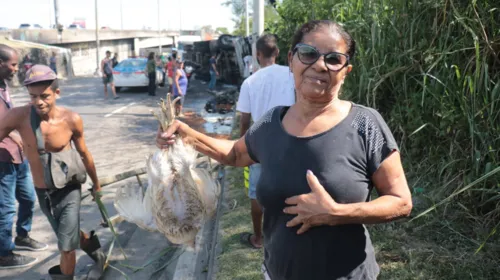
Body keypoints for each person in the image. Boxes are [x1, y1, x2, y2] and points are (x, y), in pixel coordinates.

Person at [157, 20, 413, 280]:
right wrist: (186, 136)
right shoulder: (271, 123)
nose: (320, 65)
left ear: (346, 70)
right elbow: (235, 153)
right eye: (308, 54)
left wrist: (336, 214)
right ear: (291, 59)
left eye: (334, 59)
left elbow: (401, 202)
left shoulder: (365, 124)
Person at [0, 65, 106, 280]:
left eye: (44, 96)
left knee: (66, 247)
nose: (38, 101)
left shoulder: (71, 119)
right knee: (68, 236)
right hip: (43, 191)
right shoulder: (18, 116)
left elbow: (84, 153)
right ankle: (94, 248)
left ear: (57, 93)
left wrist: (96, 184)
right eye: (33, 96)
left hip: (69, 189)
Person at [236, 34, 295, 249]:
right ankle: (289, 233)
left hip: (259, 145)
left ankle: (259, 238)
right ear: (278, 53)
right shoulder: (291, 74)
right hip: (290, 140)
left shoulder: (250, 82)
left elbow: (244, 119)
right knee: (290, 188)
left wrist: (243, 147)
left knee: (256, 193)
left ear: (257, 55)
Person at [0, 44, 48, 270]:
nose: (16, 68)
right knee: (6, 207)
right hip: (3, 160)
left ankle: (23, 236)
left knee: (28, 198)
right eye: (13, 64)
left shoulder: (3, 86)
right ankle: (4, 253)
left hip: (18, 157)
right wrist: (10, 135)